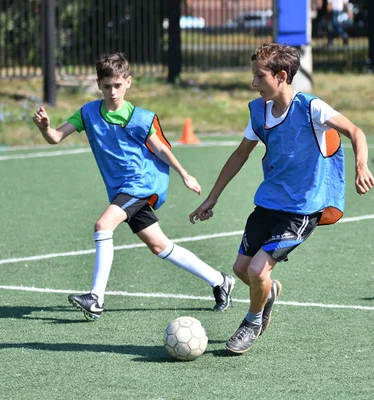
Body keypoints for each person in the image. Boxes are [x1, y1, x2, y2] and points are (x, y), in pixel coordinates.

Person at [189, 43, 374, 354]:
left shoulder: (311, 108)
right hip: (270, 202)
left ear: (281, 75)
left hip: (302, 208)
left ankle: (252, 321)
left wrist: (361, 165)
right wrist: (213, 197)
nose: (253, 83)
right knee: (241, 268)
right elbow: (240, 155)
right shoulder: (259, 112)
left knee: (258, 269)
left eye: (259, 76)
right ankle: (269, 293)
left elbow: (356, 132)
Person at [32, 52, 235, 321]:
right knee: (160, 246)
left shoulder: (140, 118)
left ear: (128, 82)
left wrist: (185, 174)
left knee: (103, 225)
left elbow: (161, 148)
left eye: (117, 85)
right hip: (121, 189)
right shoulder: (88, 113)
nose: (112, 91)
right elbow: (56, 137)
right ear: (99, 84)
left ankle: (96, 298)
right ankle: (220, 281)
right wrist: (45, 128)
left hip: (140, 184)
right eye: (107, 86)